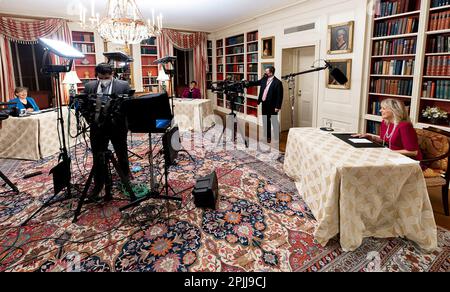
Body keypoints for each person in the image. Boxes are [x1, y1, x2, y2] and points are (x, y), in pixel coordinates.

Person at [83, 63, 132, 199]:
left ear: (112, 75)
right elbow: (84, 105)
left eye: (107, 77)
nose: (105, 79)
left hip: (118, 127)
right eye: (102, 77)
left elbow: (129, 106)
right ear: (96, 76)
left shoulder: (123, 85)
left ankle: (125, 179)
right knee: (98, 157)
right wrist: (91, 120)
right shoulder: (89, 87)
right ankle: (99, 184)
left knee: (121, 153)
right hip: (97, 128)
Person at [353, 99, 423, 161]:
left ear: (394, 110)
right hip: (391, 156)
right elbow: (386, 141)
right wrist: (371, 137)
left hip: (408, 161)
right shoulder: (385, 122)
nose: (380, 110)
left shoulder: (405, 126)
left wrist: (386, 152)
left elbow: (413, 152)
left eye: (383, 108)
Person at [247, 66, 283, 143]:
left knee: (274, 120)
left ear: (271, 73)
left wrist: (278, 106)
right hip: (264, 103)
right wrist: (247, 82)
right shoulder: (264, 79)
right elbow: (256, 83)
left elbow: (280, 96)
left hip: (273, 105)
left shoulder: (278, 82)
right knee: (265, 120)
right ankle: (267, 137)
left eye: (266, 72)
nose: (265, 73)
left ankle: (277, 137)